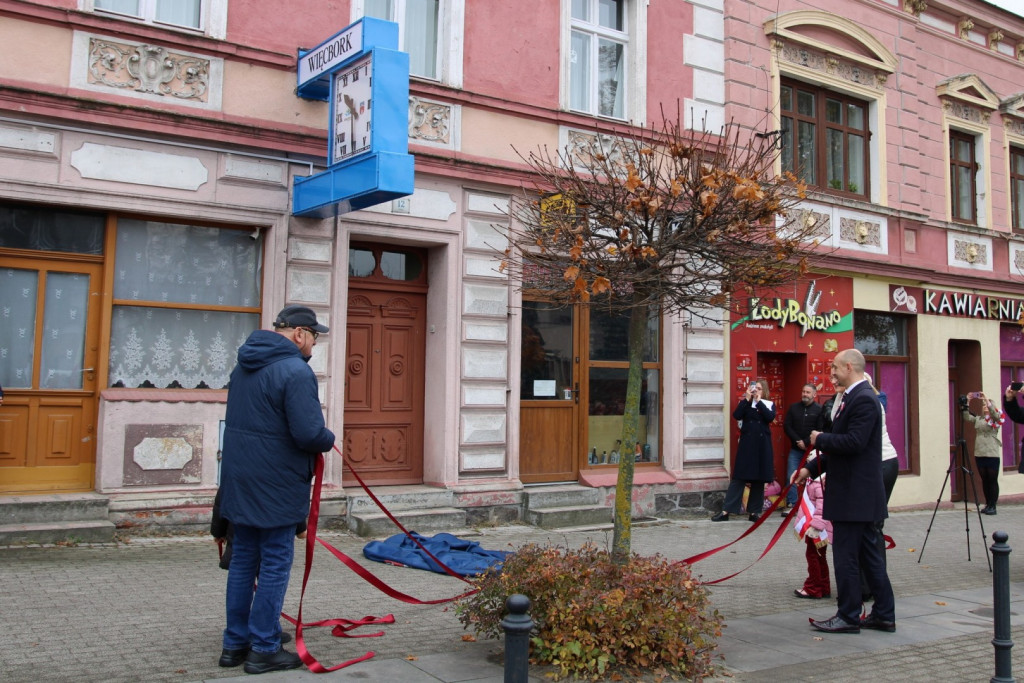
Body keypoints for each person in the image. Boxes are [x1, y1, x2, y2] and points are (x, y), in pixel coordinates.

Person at [217, 305, 335, 674]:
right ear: (299, 334)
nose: (315, 342)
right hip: (276, 483)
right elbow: (309, 433)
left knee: (243, 561)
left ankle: (236, 642)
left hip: (240, 479)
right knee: (274, 563)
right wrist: (328, 438)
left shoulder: (243, 365)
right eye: (315, 335)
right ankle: (264, 647)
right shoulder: (295, 371)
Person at [795, 348, 896, 634]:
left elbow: (853, 443)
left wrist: (820, 438)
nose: (832, 374)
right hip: (858, 495)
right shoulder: (854, 397)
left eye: (835, 368)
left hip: (855, 495)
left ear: (849, 366)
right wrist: (810, 469)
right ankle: (884, 615)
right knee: (869, 557)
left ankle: (849, 615)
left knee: (847, 557)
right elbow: (845, 448)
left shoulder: (864, 399)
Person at [713, 379, 776, 522]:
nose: (756, 391)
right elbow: (737, 415)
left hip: (762, 446)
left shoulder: (768, 404)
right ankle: (726, 510)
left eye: (759, 389)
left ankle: (754, 512)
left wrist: (759, 401)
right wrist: (747, 399)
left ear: (764, 391)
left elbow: (770, 417)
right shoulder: (746, 403)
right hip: (747, 445)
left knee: (759, 479)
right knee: (739, 477)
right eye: (754, 388)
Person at [783, 384, 822, 510]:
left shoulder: (819, 410)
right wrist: (797, 441)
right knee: (792, 475)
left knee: (813, 476)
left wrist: (806, 442)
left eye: (808, 392)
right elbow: (787, 426)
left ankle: (811, 505)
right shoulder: (794, 408)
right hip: (795, 449)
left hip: (811, 450)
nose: (805, 394)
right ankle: (791, 503)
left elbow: (819, 429)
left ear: (814, 395)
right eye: (803, 391)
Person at [962, 393, 1003, 515]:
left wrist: (986, 398)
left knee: (992, 479)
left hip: (991, 452)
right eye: (984, 404)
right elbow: (966, 417)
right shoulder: (979, 419)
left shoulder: (996, 418)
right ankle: (987, 504)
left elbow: (995, 415)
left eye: (987, 404)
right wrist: (967, 401)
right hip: (980, 451)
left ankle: (993, 505)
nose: (985, 406)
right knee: (984, 479)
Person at [793, 473, 832, 599]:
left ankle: (813, 588)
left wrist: (817, 526)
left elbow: (822, 508)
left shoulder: (819, 484)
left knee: (813, 556)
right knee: (820, 557)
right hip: (815, 526)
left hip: (817, 528)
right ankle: (824, 587)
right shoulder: (813, 482)